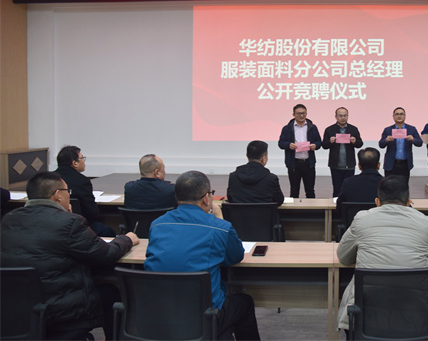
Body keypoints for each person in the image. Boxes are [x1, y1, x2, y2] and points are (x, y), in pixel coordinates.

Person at [1, 172, 139, 340]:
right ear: (58, 195)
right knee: (110, 293)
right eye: (68, 191)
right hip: (60, 312)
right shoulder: (69, 222)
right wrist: (126, 239)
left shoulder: (8, 220)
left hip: (15, 310)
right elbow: (105, 254)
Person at [145, 170, 260, 340]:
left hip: (160, 314)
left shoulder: (156, 225)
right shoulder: (220, 227)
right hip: (204, 317)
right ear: (206, 198)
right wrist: (220, 218)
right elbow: (235, 256)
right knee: (244, 303)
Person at [336, 175, 428, 332]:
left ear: (377, 202)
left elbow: (343, 257)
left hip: (367, 316)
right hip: (416, 316)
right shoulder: (426, 223)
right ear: (409, 202)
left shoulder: (362, 219)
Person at [54, 145, 115, 236]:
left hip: (54, 224)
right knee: (109, 231)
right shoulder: (82, 181)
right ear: (75, 163)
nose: (84, 161)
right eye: (82, 158)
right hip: (79, 226)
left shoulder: (49, 179)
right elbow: (91, 212)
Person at [278, 104, 322, 198]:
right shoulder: (287, 128)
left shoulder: (312, 127)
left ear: (306, 114)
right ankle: (294, 208)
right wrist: (288, 145)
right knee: (294, 190)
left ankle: (311, 207)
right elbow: (281, 143)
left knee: (310, 190)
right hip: (294, 163)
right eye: (298, 113)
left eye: (303, 113)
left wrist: (315, 146)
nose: (301, 115)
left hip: (308, 163)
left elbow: (319, 142)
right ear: (293, 114)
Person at [321, 107, 364, 197]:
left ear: (348, 116)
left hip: (349, 165)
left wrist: (355, 141)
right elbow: (324, 145)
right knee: (337, 189)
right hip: (335, 165)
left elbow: (360, 144)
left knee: (349, 189)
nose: (343, 118)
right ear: (336, 117)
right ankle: (336, 205)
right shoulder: (330, 129)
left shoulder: (353, 129)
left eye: (345, 115)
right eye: (340, 116)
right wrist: (330, 141)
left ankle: (348, 205)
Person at [227, 140, 284, 205]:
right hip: (263, 212)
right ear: (263, 159)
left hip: (239, 212)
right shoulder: (271, 179)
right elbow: (279, 201)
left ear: (247, 155)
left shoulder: (233, 176)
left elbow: (230, 199)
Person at [335, 147, 383, 217]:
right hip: (379, 222)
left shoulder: (348, 183)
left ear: (359, 166)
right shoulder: (386, 184)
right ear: (378, 165)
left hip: (353, 222)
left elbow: (339, 209)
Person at [378, 107, 423, 178]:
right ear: (393, 116)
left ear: (405, 116)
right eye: (397, 114)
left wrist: (413, 139)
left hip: (405, 163)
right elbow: (381, 145)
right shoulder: (388, 130)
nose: (399, 116)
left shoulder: (411, 129)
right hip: (391, 164)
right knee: (389, 184)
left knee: (404, 184)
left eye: (401, 114)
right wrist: (386, 140)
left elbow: (420, 143)